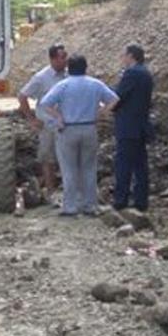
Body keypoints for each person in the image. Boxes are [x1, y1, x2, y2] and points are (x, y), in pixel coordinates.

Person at [38, 54, 119, 216]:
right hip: (89, 128)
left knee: (69, 169)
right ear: (86, 67)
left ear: (69, 68)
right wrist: (100, 113)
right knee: (89, 168)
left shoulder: (63, 85)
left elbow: (45, 103)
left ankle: (71, 206)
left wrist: (58, 117)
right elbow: (114, 99)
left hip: (68, 129)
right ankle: (90, 205)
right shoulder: (95, 84)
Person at [17, 43, 68, 196]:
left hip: (66, 124)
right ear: (52, 59)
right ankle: (51, 191)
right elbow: (22, 96)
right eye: (62, 57)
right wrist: (31, 119)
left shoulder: (69, 75)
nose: (65, 60)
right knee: (48, 158)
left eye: (66, 57)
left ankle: (68, 189)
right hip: (47, 125)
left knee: (67, 157)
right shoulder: (41, 77)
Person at [111, 43, 154, 211]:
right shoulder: (146, 73)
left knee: (124, 164)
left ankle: (121, 200)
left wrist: (104, 93)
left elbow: (118, 97)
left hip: (128, 126)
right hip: (141, 125)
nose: (122, 59)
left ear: (131, 56)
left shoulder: (132, 73)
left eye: (124, 55)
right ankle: (141, 200)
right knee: (140, 165)